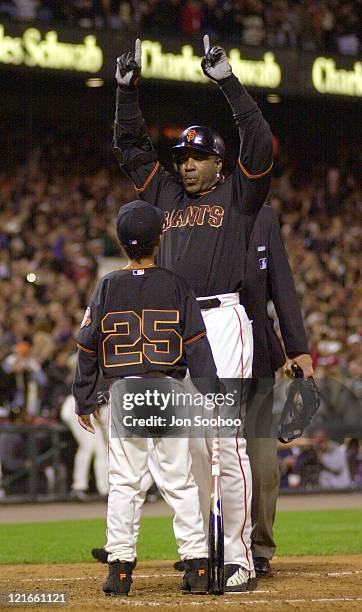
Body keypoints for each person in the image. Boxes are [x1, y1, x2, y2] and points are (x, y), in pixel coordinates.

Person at [109, 34, 273, 592]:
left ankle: (240, 558)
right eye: (183, 157)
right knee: (194, 450)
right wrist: (126, 94)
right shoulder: (167, 200)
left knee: (226, 443)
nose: (188, 165)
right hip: (182, 329)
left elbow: (260, 139)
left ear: (220, 163)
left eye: (199, 156)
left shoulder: (239, 196)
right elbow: (131, 149)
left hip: (225, 322)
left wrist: (227, 81)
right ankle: (207, 553)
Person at [73, 199, 220, 597]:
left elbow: (87, 347)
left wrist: (84, 397)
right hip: (168, 387)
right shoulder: (175, 284)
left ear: (120, 241)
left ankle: (119, 569)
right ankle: (198, 568)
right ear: (160, 238)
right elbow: (197, 345)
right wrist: (215, 395)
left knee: (125, 483)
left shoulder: (107, 285)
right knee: (181, 483)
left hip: (124, 392)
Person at [240, 203, 313, 577]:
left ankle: (260, 547)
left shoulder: (262, 217)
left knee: (264, 465)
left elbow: (281, 285)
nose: (188, 166)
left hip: (256, 360)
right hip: (204, 358)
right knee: (201, 462)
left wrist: (297, 347)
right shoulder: (187, 212)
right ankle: (206, 545)